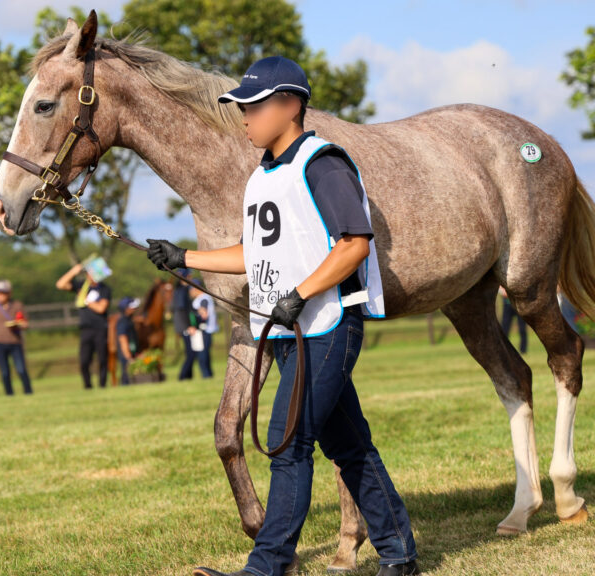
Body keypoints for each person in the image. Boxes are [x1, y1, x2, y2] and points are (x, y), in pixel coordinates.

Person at [147, 56, 418, 576]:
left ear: (290, 105)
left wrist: (299, 293)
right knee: (349, 445)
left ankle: (265, 568)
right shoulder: (263, 177)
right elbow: (256, 254)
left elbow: (354, 245)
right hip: (293, 331)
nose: (243, 116)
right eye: (240, 106)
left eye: (253, 105)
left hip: (329, 324)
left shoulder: (323, 163)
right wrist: (184, 257)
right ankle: (400, 554)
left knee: (288, 443)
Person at [56, 263, 112, 389]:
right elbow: (60, 284)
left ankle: (102, 385)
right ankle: (88, 386)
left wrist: (85, 298)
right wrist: (73, 271)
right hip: (85, 329)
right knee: (84, 361)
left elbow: (101, 308)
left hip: (100, 329)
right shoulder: (81, 286)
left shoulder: (104, 289)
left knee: (102, 359)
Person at [0, 280, 32, 395]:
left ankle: (28, 392)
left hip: (15, 342)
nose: (0, 295)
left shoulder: (17, 305)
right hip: (0, 343)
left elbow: (25, 323)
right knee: (4, 372)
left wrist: (19, 324)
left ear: (9, 293)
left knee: (21, 369)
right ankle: (9, 394)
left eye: (3, 293)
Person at [191, 281, 217, 378]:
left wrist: (193, 315)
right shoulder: (205, 297)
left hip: (204, 330)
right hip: (207, 329)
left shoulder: (203, 299)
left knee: (202, 354)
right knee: (205, 353)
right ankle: (209, 374)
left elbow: (204, 314)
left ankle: (206, 375)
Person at [115, 297, 141, 385]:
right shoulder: (123, 322)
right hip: (127, 356)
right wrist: (129, 358)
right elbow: (123, 340)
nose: (135, 309)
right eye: (132, 307)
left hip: (132, 353)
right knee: (127, 378)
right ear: (126, 309)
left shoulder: (129, 320)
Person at [498, 286, 527, 354]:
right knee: (505, 329)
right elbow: (499, 286)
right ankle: (504, 349)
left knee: (522, 329)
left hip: (518, 305)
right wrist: (503, 292)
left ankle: (523, 350)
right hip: (507, 305)